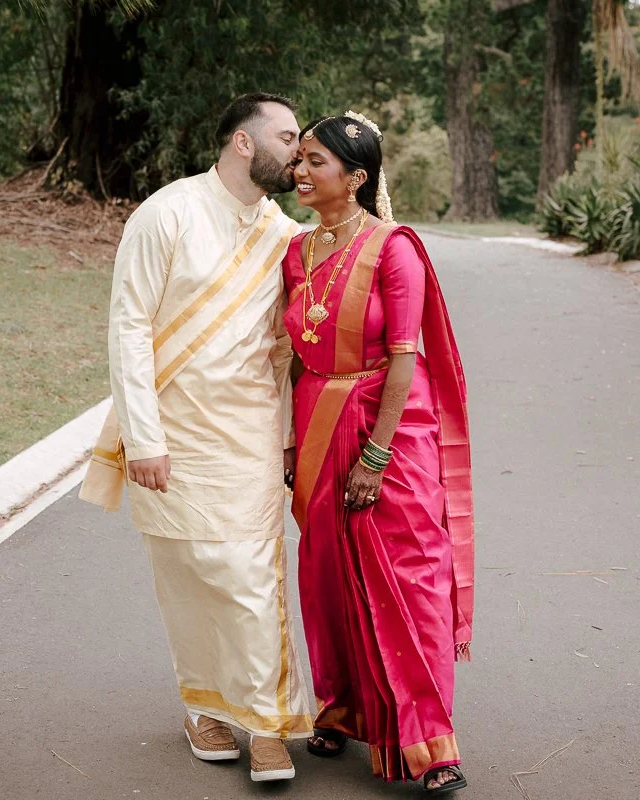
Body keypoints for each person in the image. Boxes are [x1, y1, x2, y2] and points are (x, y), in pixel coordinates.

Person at [79, 92, 314, 783]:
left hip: (245, 435)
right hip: (171, 434)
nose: (298, 151)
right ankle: (203, 706)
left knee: (249, 578)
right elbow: (129, 326)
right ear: (243, 143)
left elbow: (280, 353)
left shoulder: (283, 236)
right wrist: (143, 438)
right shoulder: (167, 213)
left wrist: (287, 440)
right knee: (186, 578)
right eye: (288, 136)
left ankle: (269, 725)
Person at [282, 111, 474, 795]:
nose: (299, 171)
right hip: (316, 423)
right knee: (328, 571)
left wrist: (376, 456)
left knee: (410, 571)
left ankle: (431, 741)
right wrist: (289, 442)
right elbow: (293, 359)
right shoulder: (294, 251)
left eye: (315, 162)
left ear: (356, 177)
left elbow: (403, 357)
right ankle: (340, 707)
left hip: (387, 423)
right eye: (298, 159)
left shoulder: (394, 248)